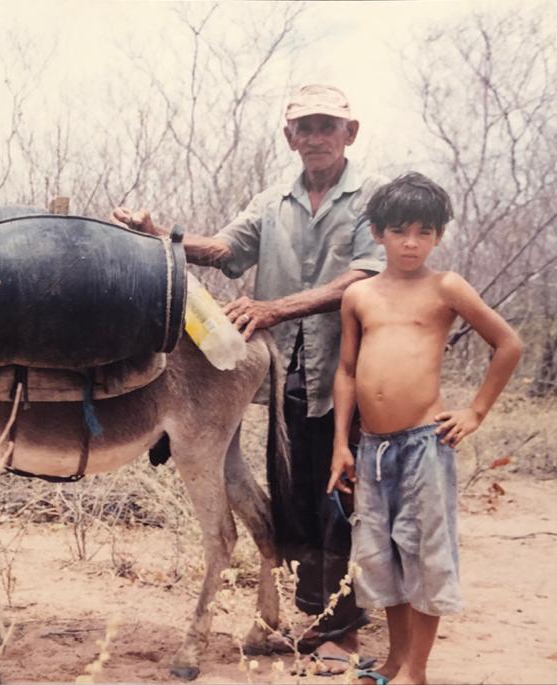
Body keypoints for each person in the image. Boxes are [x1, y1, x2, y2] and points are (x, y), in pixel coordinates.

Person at [112, 84, 385, 672]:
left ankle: (345, 631)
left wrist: (275, 308)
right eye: (303, 128)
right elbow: (226, 248)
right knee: (299, 487)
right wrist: (162, 236)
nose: (314, 137)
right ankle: (312, 613)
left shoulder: (372, 199)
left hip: (356, 367)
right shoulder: (273, 200)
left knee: (347, 492)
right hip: (289, 369)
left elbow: (363, 278)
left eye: (326, 126)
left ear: (350, 133)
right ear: (289, 137)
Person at [326, 173, 522, 685]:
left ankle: (417, 669)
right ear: (376, 233)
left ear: (438, 235)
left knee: (424, 553)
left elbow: (508, 344)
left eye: (423, 232)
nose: (411, 243)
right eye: (399, 231)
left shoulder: (446, 287)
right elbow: (346, 372)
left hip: (423, 444)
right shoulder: (359, 295)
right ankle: (393, 661)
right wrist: (340, 447)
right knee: (380, 554)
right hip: (370, 449)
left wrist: (475, 411)